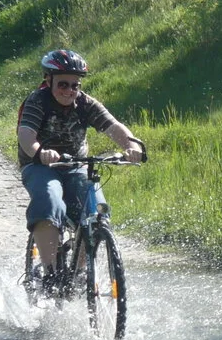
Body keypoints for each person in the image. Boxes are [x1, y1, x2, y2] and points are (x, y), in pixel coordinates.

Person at [17, 49, 147, 290]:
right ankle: (51, 274)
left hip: (77, 165)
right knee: (49, 201)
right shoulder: (37, 101)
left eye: (74, 85)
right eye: (63, 84)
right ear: (49, 80)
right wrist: (38, 151)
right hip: (40, 166)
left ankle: (78, 275)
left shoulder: (85, 103)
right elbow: (25, 134)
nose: (69, 91)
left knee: (97, 213)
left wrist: (132, 144)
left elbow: (113, 126)